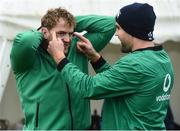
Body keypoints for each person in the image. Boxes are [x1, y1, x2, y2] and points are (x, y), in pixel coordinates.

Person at [47, 3, 174, 130]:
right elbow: (120, 82)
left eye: (118, 28)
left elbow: (88, 88)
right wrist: (95, 58)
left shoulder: (135, 64)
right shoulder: (162, 58)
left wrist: (59, 58)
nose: (116, 34)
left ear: (132, 29)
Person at [10, 7, 115, 130]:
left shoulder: (77, 48)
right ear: (44, 33)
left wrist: (68, 23)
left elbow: (110, 25)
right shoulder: (28, 57)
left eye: (70, 33)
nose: (67, 39)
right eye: (61, 33)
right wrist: (46, 29)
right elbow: (23, 40)